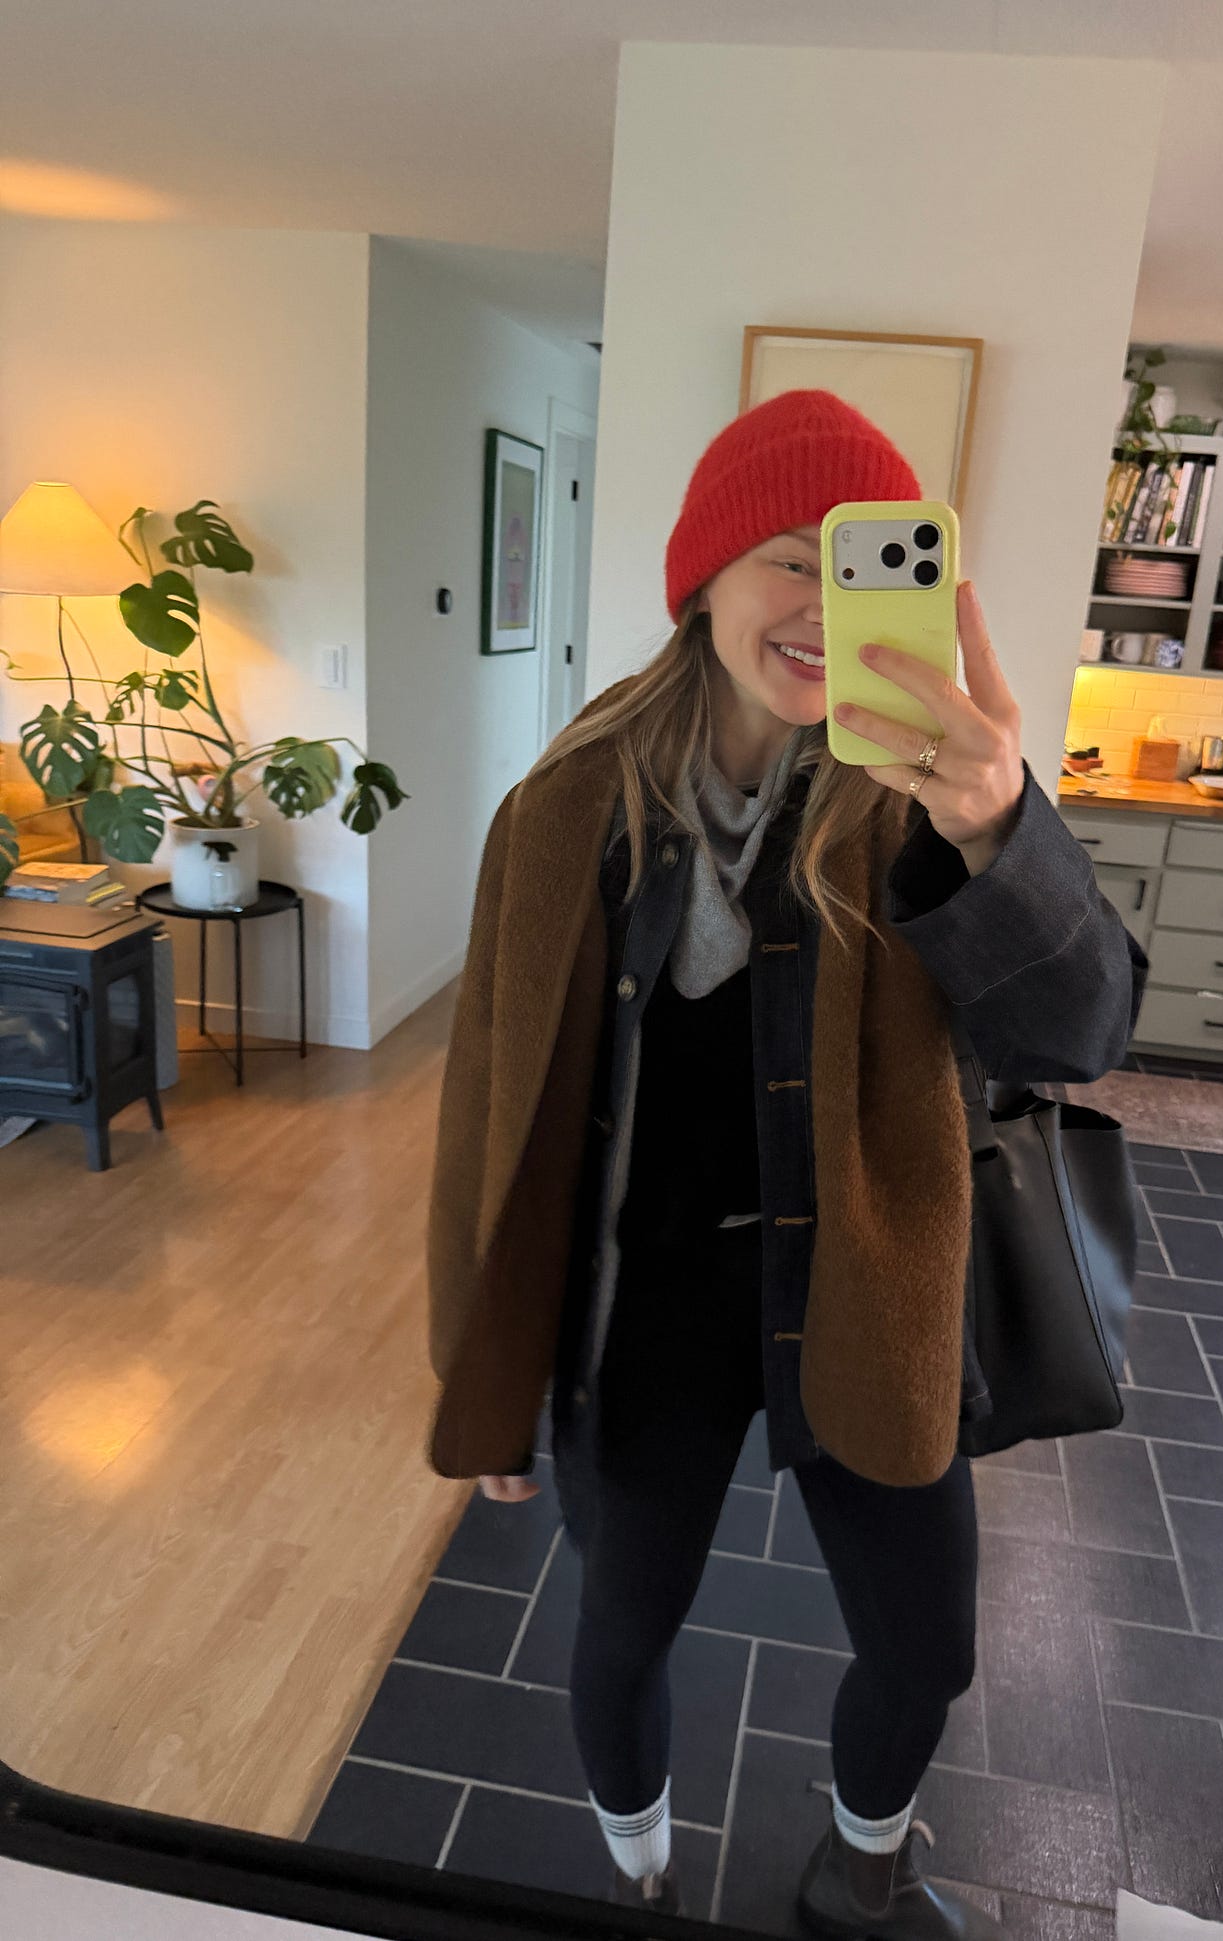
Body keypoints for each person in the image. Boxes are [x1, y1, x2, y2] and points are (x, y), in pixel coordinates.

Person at [424, 389, 1149, 1938]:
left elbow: (1083, 1031)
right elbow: (487, 1109)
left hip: (868, 1290)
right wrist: (482, 1367)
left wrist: (1004, 829)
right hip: (642, 1316)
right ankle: (640, 1876)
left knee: (928, 1645)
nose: (824, 605)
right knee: (623, 1630)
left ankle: (863, 1857)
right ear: (700, 579)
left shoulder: (923, 800)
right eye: (787, 557)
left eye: (864, 561)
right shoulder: (566, 812)